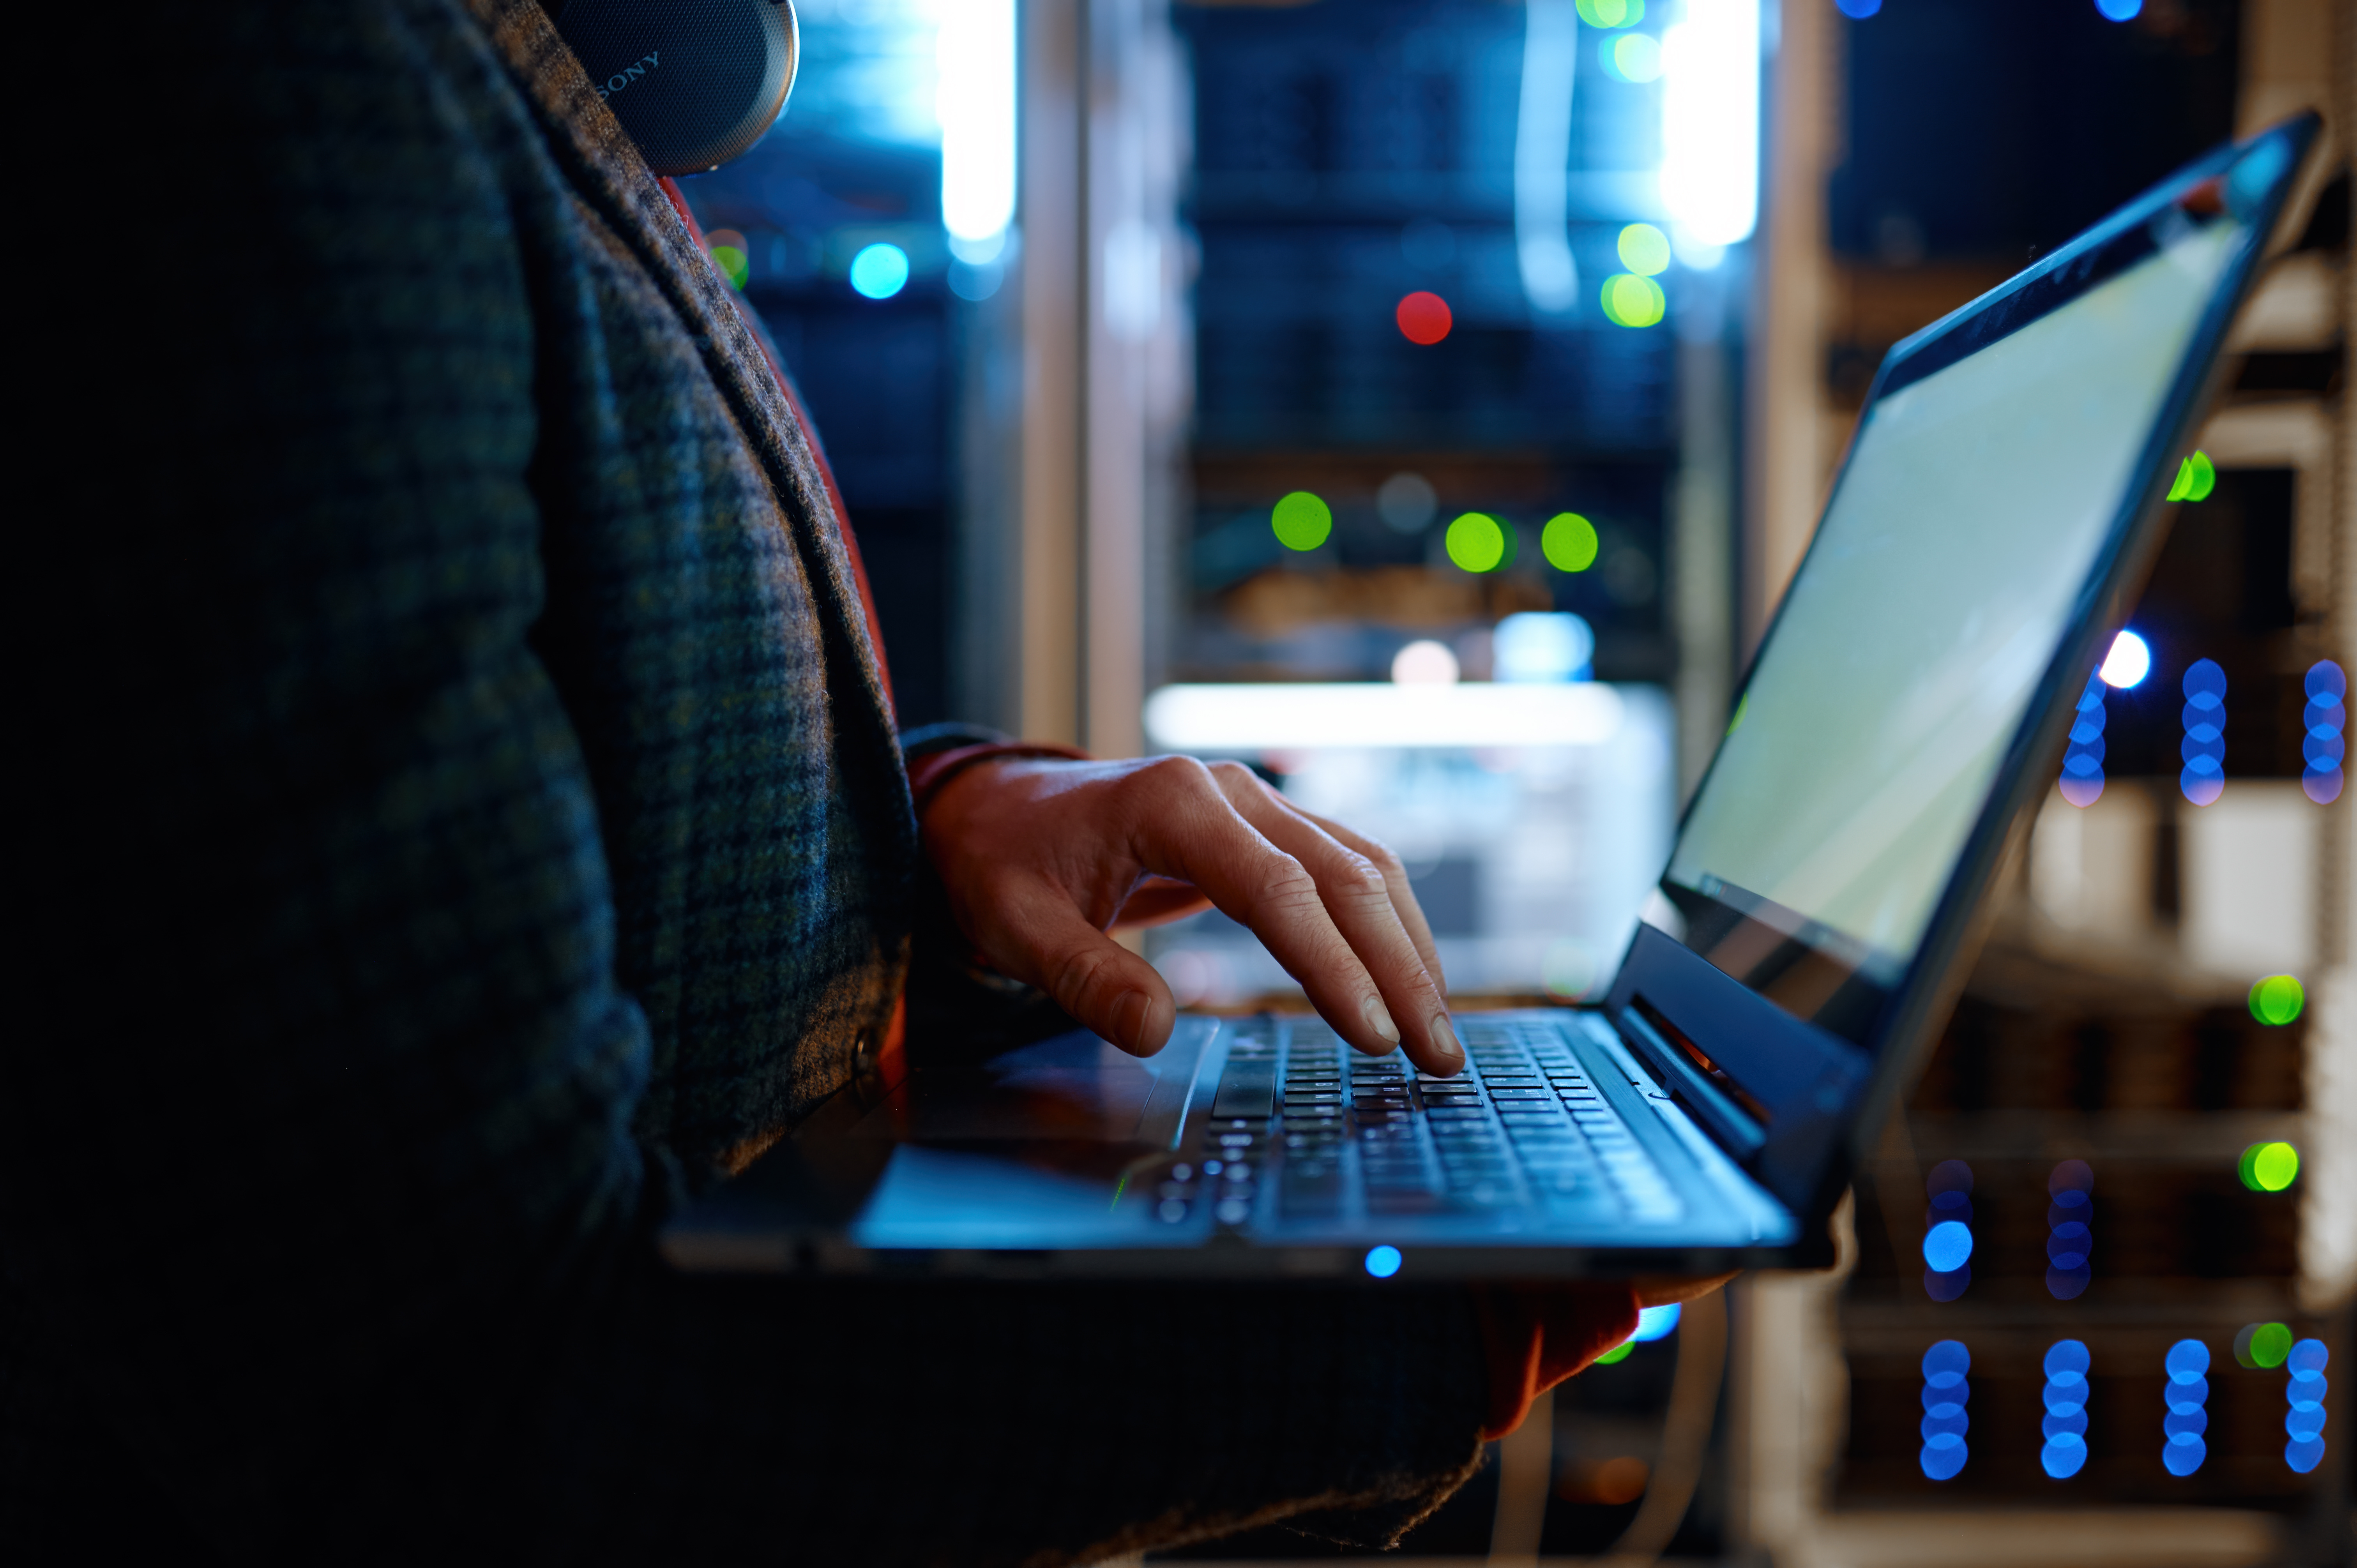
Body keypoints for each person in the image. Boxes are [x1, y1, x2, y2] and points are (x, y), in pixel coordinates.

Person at [7, 2, 1724, 1560]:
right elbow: (472, 1396)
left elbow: (593, 787)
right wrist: (1431, 1316)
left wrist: (949, 833)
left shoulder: (464, 86)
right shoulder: (283, 89)